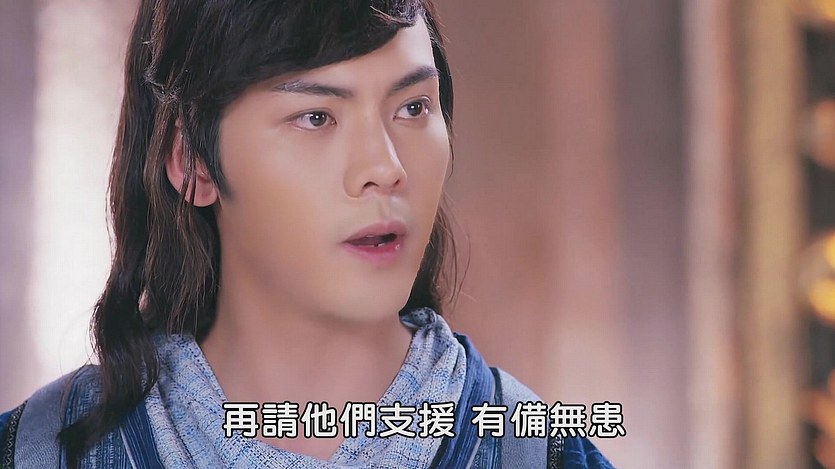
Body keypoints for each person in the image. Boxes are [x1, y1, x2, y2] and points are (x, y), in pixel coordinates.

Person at [0, 1, 616, 467]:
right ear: (193, 162)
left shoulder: (543, 453)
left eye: (413, 108)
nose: (385, 168)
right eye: (317, 117)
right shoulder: (38, 450)